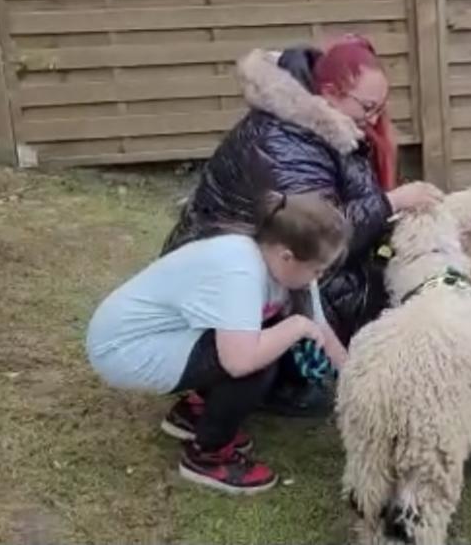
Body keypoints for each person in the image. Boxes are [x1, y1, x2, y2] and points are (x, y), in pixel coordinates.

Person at [160, 33, 443, 416]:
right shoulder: (285, 142)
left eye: (381, 107)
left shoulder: (316, 125)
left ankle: (291, 372)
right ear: (328, 91)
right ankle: (265, 384)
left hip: (250, 266)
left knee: (375, 269)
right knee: (356, 282)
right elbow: (316, 234)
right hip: (226, 287)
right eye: (369, 107)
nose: (375, 119)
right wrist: (393, 202)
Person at [85, 190, 350, 495]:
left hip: (173, 335)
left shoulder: (282, 265)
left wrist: (354, 382)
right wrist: (295, 326)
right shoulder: (239, 268)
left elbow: (321, 329)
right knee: (259, 357)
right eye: (317, 269)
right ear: (286, 256)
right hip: (126, 349)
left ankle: (196, 412)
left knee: (269, 334)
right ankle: (209, 456)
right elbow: (239, 361)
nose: (320, 276)